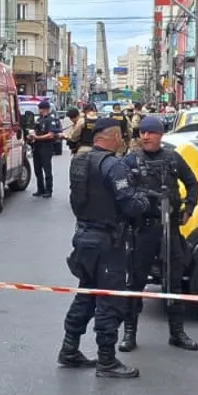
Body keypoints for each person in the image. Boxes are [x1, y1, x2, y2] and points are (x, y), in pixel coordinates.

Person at [59, 117, 152, 378]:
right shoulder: (113, 165)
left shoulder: (79, 161)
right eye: (120, 137)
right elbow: (130, 205)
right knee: (110, 300)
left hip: (84, 237)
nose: (123, 141)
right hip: (107, 241)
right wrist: (144, 201)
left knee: (86, 294)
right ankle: (107, 361)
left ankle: (69, 349)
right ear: (111, 137)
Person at [122, 115, 198, 352]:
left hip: (170, 229)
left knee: (174, 281)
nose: (145, 136)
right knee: (135, 282)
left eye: (151, 132)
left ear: (160, 135)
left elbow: (193, 184)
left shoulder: (173, 158)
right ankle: (129, 333)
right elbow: (122, 193)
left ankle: (177, 332)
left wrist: (189, 208)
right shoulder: (131, 161)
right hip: (143, 230)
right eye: (142, 133)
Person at [29, 100, 62, 197]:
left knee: (47, 169)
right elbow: (35, 131)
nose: (39, 110)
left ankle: (48, 190)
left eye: (40, 108)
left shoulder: (50, 120)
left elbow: (51, 135)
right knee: (37, 168)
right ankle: (40, 189)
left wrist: (37, 138)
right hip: (37, 146)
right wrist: (31, 136)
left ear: (44, 109)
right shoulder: (39, 119)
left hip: (46, 147)